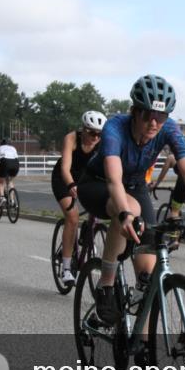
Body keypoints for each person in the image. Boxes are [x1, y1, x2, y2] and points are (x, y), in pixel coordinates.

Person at [78, 74, 185, 325]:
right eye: (148, 115)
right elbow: (114, 179)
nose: (155, 122)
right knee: (129, 207)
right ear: (135, 111)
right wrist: (125, 213)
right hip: (98, 183)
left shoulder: (168, 128)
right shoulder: (115, 127)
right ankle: (105, 286)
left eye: (162, 116)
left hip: (135, 185)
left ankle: (142, 352)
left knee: (148, 278)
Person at [51, 110, 105, 284]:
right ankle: (66, 268)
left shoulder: (102, 142)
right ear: (84, 129)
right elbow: (65, 168)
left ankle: (87, 233)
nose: (96, 137)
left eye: (99, 134)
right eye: (92, 133)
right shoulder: (72, 138)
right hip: (63, 178)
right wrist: (71, 185)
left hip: (84, 178)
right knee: (73, 217)